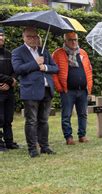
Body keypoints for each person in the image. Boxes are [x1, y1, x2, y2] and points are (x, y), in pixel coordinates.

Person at [12, 27, 58, 158]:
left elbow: (56, 68)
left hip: (46, 89)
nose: (33, 39)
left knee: (44, 120)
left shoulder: (44, 51)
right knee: (31, 121)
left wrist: (45, 67)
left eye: (35, 36)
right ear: (24, 37)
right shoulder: (17, 52)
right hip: (30, 91)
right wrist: (35, 63)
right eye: (29, 36)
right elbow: (18, 69)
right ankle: (32, 148)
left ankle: (45, 146)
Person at [52, 32, 93, 145]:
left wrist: (89, 87)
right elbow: (53, 73)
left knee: (83, 114)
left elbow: (89, 70)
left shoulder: (83, 53)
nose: (74, 42)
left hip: (82, 90)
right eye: (70, 40)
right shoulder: (58, 53)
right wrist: (60, 88)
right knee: (66, 115)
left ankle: (82, 135)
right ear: (65, 41)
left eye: (75, 39)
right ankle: (68, 137)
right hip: (67, 91)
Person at [0, 27, 19, 152]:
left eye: (2, 35)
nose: (1, 38)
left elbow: (15, 70)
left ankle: (9, 141)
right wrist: (9, 80)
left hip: (9, 91)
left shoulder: (9, 54)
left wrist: (12, 80)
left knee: (8, 118)